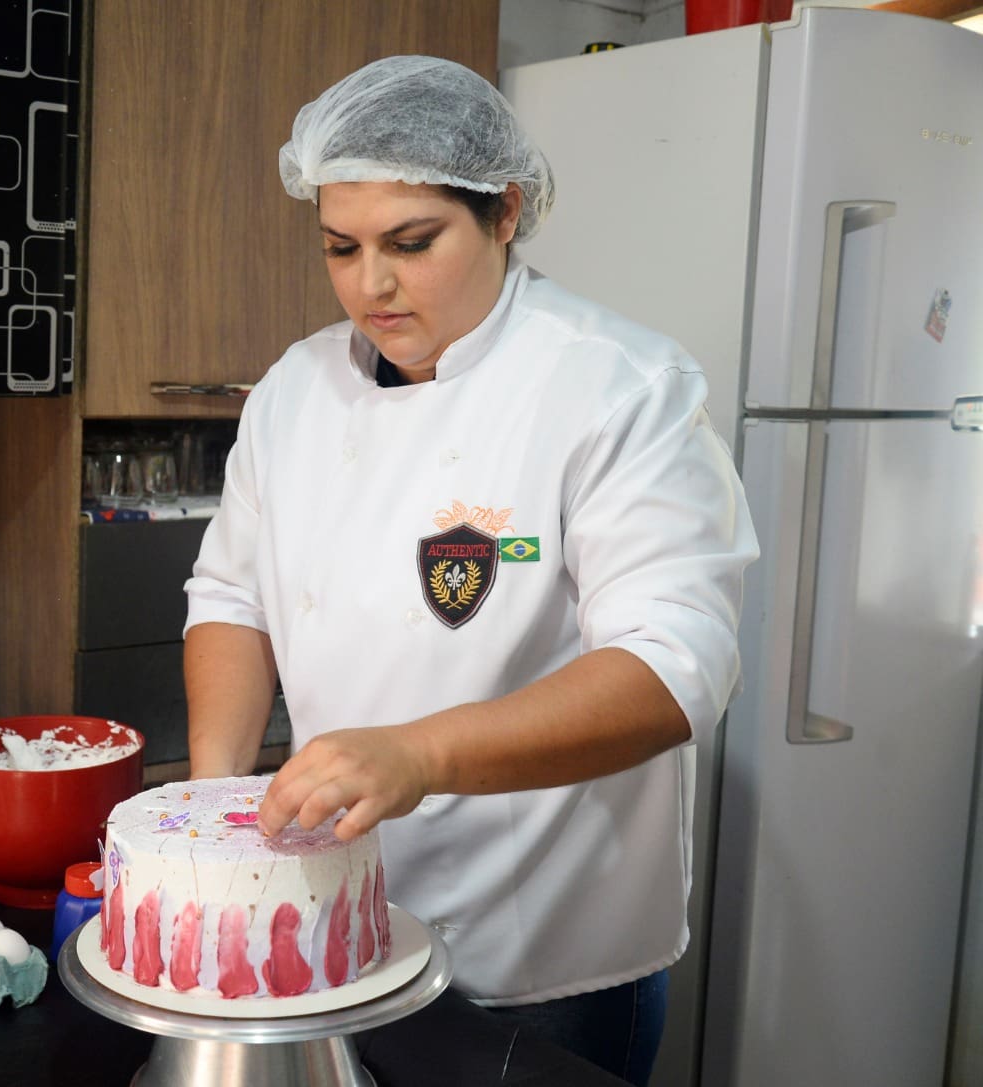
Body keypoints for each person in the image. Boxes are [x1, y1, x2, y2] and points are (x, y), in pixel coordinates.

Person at [182, 55, 758, 1085]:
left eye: (411, 243)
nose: (371, 284)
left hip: (544, 962)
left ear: (505, 211)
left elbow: (674, 668)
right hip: (335, 923)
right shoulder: (293, 390)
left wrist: (417, 755)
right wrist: (216, 799)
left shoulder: (618, 387)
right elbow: (231, 595)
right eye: (341, 247)